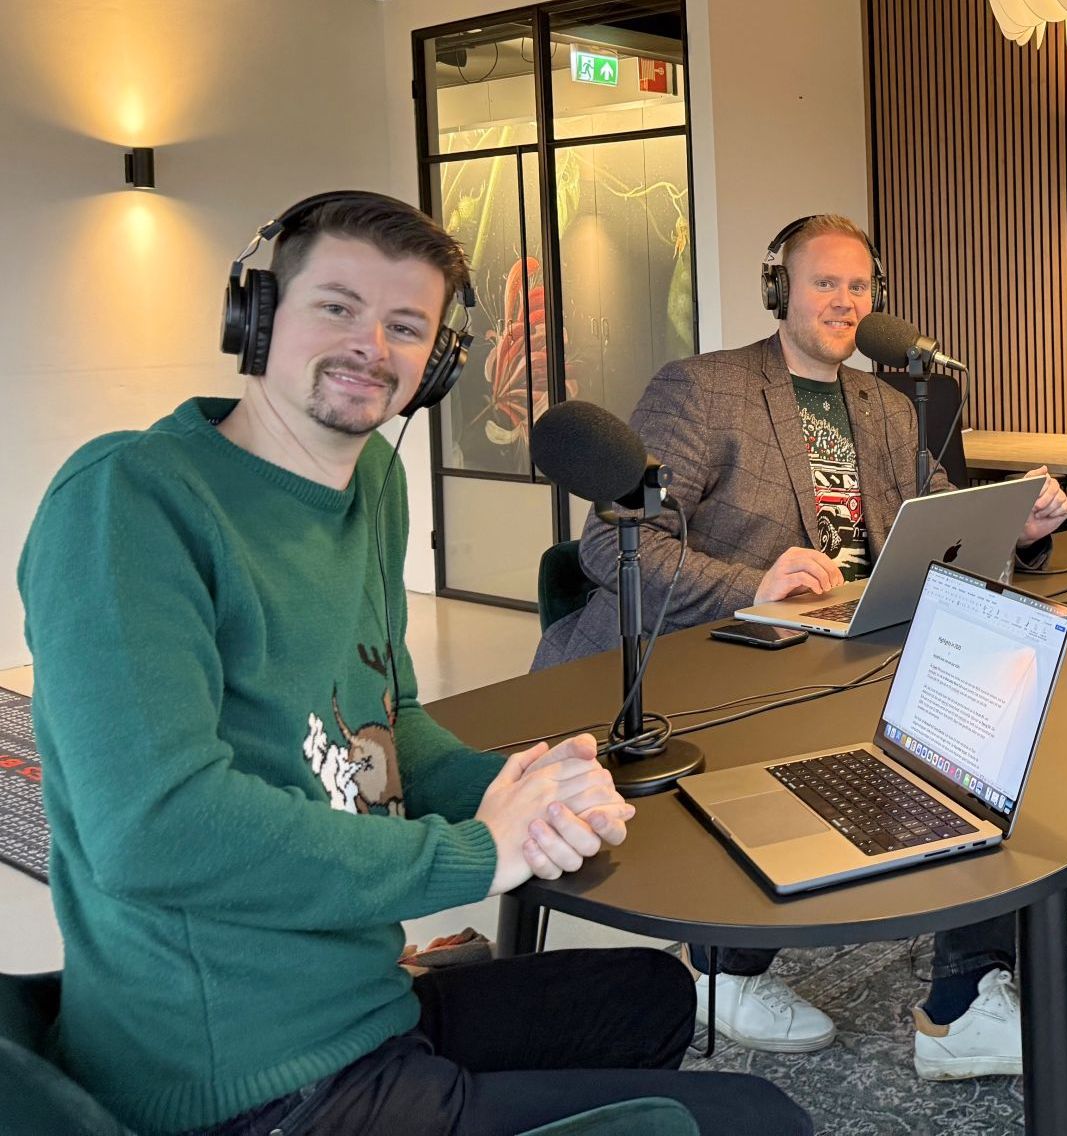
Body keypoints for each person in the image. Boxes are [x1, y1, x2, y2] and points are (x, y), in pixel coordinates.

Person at [17, 191, 809, 1135]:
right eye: (336, 306)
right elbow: (155, 830)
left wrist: (523, 791)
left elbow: (391, 725)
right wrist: (478, 853)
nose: (370, 346)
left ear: (435, 362)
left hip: (363, 1001)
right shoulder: (130, 499)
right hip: (246, 1079)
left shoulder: (374, 484)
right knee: (759, 1120)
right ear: (257, 316)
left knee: (649, 997)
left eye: (404, 326)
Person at [533, 213, 1067, 1080]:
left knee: (985, 723)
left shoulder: (886, 405)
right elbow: (616, 544)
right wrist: (751, 582)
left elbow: (942, 522)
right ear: (780, 291)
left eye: (859, 286)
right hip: (722, 653)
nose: (845, 301)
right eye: (824, 282)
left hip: (855, 641)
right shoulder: (703, 389)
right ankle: (724, 970)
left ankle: (962, 1000)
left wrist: (1020, 526)